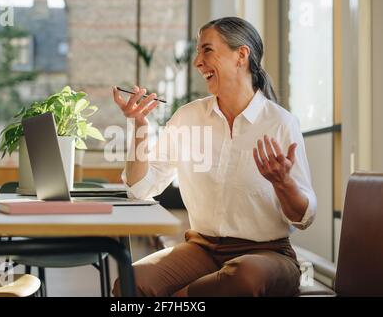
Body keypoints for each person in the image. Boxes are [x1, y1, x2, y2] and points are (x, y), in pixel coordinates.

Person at [111, 17, 316, 297]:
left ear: (241, 55)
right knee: (131, 283)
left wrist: (282, 183)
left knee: (244, 277)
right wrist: (139, 128)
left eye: (207, 50)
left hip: (268, 254)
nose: (197, 61)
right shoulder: (188, 117)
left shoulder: (280, 123)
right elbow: (140, 189)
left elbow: (303, 217)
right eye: (197, 51)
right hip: (201, 248)